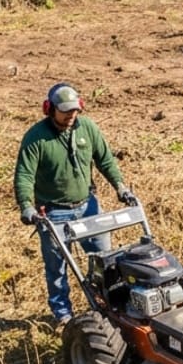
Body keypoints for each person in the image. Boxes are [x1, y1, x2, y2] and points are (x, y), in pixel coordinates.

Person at [13, 83, 137, 326]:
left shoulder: (87, 128)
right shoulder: (36, 138)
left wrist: (120, 186)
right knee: (57, 268)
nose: (71, 115)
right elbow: (24, 175)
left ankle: (109, 307)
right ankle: (63, 316)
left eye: (75, 110)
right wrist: (26, 206)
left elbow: (105, 160)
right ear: (49, 109)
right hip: (53, 213)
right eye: (65, 111)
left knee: (105, 260)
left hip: (88, 206)